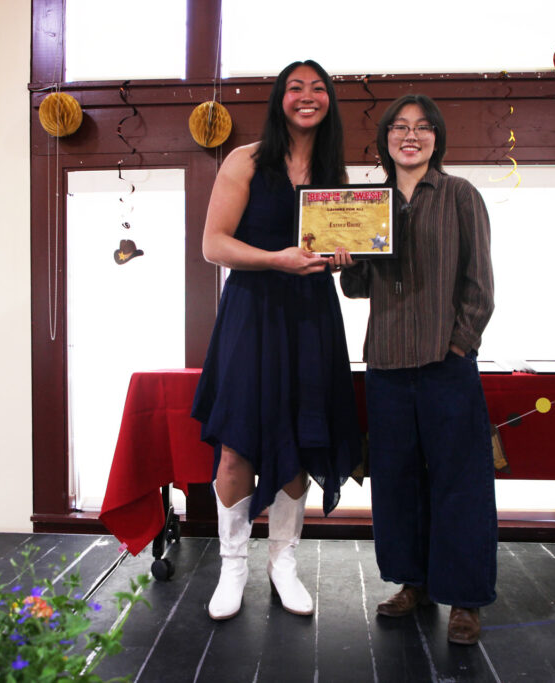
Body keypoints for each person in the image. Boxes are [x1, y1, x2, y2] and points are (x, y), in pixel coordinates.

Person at [191, 60, 361, 621]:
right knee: (238, 443)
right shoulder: (245, 159)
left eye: (318, 89)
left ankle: (282, 564)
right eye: (296, 87)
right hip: (252, 312)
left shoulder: (335, 172)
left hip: (311, 316)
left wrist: (340, 259)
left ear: (329, 102)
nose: (307, 96)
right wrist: (276, 261)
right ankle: (233, 566)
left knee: (300, 433)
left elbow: (337, 253)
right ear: (279, 98)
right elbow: (213, 245)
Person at [335, 94, 497, 645]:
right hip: (384, 362)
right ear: (384, 139)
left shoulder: (459, 196)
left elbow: (479, 284)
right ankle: (414, 583)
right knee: (397, 484)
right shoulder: (365, 203)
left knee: (461, 482)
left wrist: (460, 344)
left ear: (436, 139)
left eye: (423, 128)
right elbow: (358, 289)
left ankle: (467, 599)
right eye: (400, 127)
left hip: (445, 364)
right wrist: (345, 261)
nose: (411, 135)